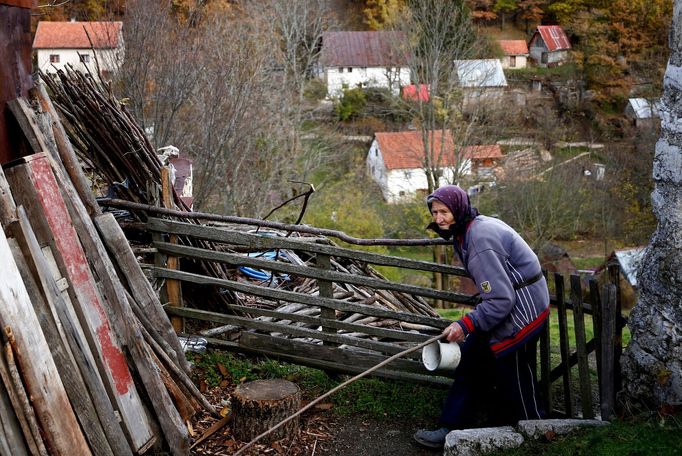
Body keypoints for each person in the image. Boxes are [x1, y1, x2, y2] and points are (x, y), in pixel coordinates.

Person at [414, 185, 550, 449]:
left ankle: (538, 430)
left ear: (459, 208)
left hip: (524, 308)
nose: (439, 218)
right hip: (508, 300)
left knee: (513, 366)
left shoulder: (478, 239)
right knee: (472, 358)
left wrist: (466, 323)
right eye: (434, 212)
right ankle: (451, 427)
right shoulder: (467, 230)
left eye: (444, 211)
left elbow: (502, 298)